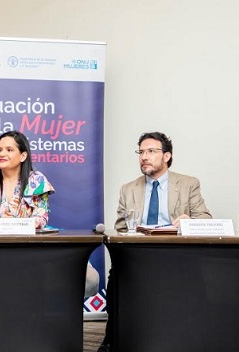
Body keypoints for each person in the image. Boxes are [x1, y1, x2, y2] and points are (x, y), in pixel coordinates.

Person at [98, 131, 212, 352]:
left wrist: (189, 221)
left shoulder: (188, 184)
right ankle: (112, 339)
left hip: (176, 256)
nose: (144, 157)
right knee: (116, 277)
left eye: (151, 151)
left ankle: (191, 339)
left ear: (167, 156)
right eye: (141, 152)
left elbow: (205, 218)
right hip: (138, 256)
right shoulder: (129, 189)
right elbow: (121, 228)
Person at [0, 131, 54, 229]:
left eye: (9, 150)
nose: (2, 154)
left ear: (23, 156)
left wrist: (15, 224)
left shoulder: (37, 181)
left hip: (26, 243)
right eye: (0, 150)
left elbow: (41, 219)